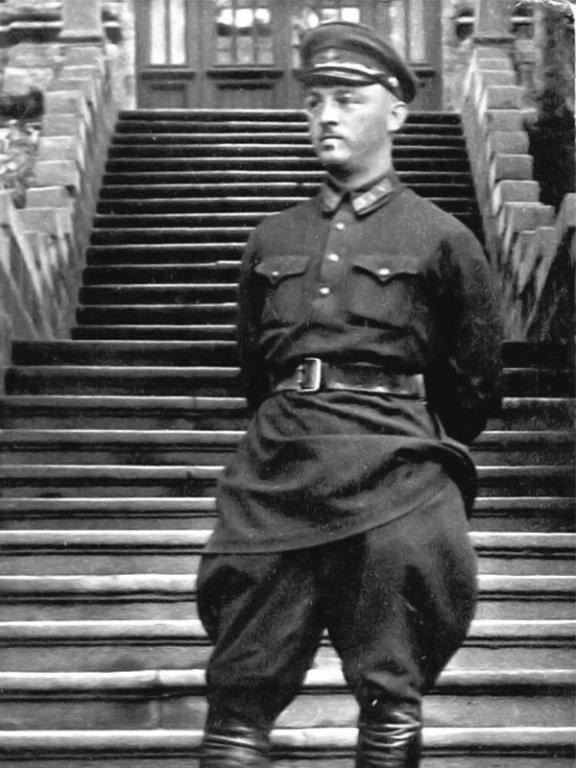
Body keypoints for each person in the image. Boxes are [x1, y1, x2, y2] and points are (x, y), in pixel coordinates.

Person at [197, 21, 502, 768]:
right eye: (315, 102)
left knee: (391, 700)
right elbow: (254, 372)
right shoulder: (272, 238)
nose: (325, 116)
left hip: (395, 474)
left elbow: (472, 385)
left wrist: (404, 434)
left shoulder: (442, 237)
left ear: (395, 112)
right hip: (276, 477)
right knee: (236, 705)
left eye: (347, 99)